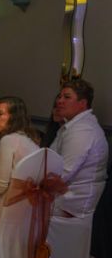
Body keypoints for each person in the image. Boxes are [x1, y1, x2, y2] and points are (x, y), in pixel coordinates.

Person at [50, 79, 108, 218]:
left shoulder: (82, 129)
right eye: (60, 96)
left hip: (72, 204)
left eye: (67, 97)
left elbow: (64, 172)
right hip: (65, 197)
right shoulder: (72, 126)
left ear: (82, 103)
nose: (60, 101)